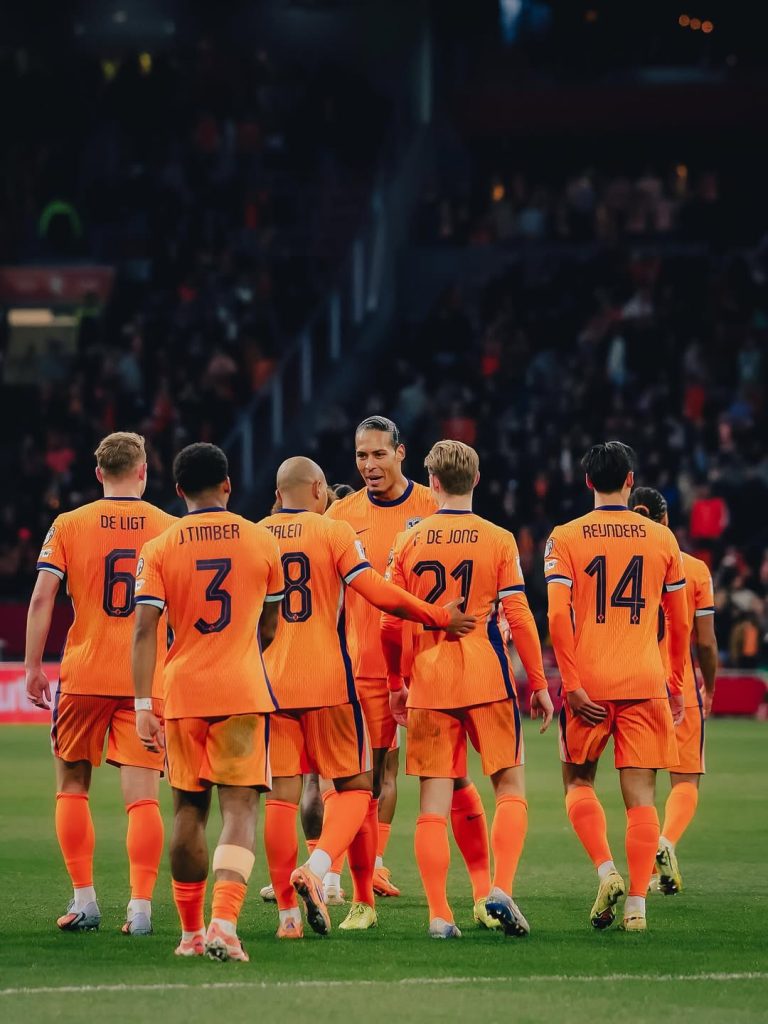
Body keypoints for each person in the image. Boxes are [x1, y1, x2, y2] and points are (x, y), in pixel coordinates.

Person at [259, 457, 475, 937]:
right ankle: (316, 869)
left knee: (281, 799)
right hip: (332, 681)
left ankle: (288, 920)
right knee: (358, 787)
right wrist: (437, 616)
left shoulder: (256, 535)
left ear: (278, 492)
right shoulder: (333, 531)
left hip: (271, 685)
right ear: (319, 487)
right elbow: (379, 593)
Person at [381, 440, 554, 938]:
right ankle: (500, 888)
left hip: (430, 680)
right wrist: (539, 683)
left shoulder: (408, 541)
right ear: (476, 481)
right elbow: (518, 612)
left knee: (432, 804)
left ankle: (439, 915)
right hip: (488, 674)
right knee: (509, 789)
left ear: (431, 483)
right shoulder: (499, 539)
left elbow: (390, 625)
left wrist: (397, 683)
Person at [327, 417, 493, 917]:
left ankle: (466, 886)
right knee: (366, 772)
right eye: (361, 456)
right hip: (363, 665)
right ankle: (363, 875)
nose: (369, 465)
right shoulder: (340, 514)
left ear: (401, 453)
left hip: (430, 669)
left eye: (378, 455)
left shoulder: (432, 506)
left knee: (448, 776)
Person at [132, 443, 283, 962]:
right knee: (239, 808)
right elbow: (270, 624)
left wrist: (142, 704)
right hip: (242, 689)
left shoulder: (160, 546)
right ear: (227, 484)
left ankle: (191, 934)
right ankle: (224, 924)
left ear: (177, 492)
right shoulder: (262, 540)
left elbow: (144, 630)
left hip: (182, 693)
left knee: (187, 813)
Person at [25, 431, 175, 935]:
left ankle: (85, 901)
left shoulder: (69, 524)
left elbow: (43, 597)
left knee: (72, 787)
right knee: (143, 798)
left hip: (85, 672)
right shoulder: (167, 526)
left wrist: (32, 667)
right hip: (145, 679)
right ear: (143, 471)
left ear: (97, 475)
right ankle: (141, 909)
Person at [546, 442, 689, 933]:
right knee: (642, 796)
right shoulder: (662, 539)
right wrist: (673, 680)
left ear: (587, 482)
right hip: (644, 677)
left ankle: (606, 870)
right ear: (631, 480)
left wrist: (570, 683)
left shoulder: (564, 537)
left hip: (589, 680)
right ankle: (636, 907)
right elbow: (680, 621)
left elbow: (556, 617)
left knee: (578, 781)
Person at [628, 486, 718, 894]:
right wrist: (709, 685)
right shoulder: (694, 568)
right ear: (667, 520)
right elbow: (706, 642)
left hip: (638, 680)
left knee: (641, 784)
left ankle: (640, 871)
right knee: (685, 780)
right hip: (678, 682)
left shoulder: (618, 562)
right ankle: (666, 841)